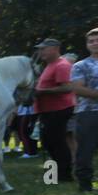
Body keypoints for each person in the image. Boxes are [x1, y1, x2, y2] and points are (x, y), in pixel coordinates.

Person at [33, 38, 76, 182]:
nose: (41, 52)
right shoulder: (49, 65)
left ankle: (64, 175)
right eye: (40, 49)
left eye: (43, 49)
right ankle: (52, 175)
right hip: (47, 110)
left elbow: (67, 87)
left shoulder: (62, 65)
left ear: (55, 48)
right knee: (47, 142)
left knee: (57, 143)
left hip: (59, 109)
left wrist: (42, 91)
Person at [67, 28, 98, 191]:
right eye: (91, 41)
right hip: (89, 113)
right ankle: (85, 184)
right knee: (85, 150)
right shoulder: (80, 65)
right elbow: (77, 88)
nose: (95, 43)